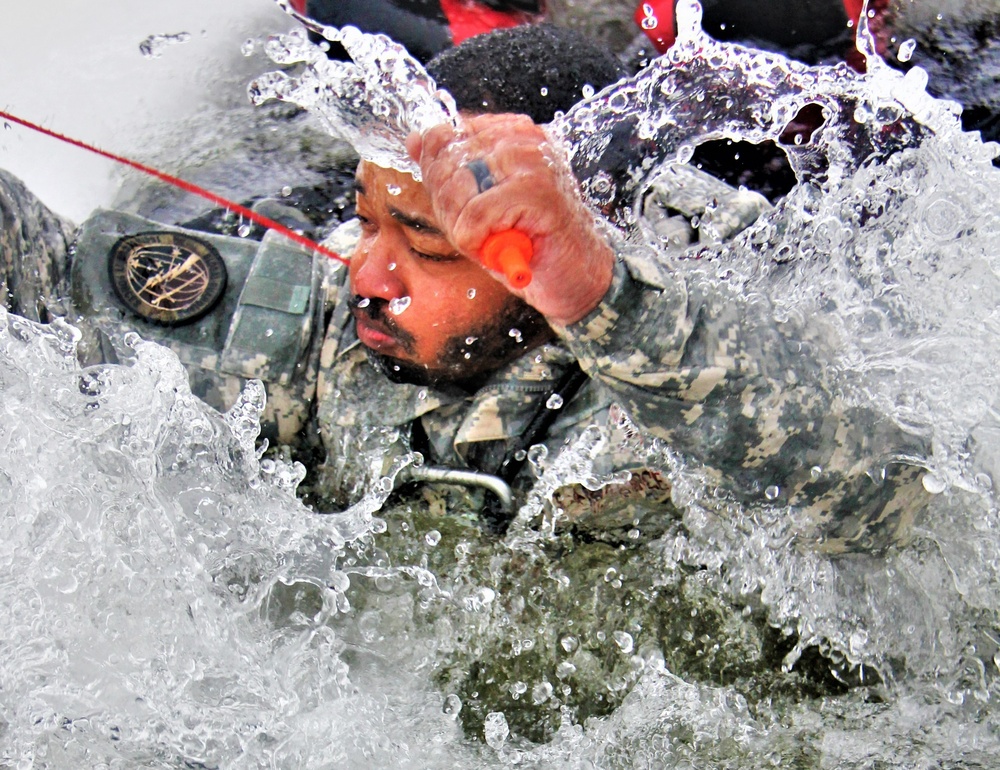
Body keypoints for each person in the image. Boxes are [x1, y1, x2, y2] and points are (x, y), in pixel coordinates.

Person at [1, 24, 925, 552]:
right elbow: (57, 293)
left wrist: (596, 294)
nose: (367, 272)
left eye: (431, 249)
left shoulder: (712, 357)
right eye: (369, 222)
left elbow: (886, 509)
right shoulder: (336, 310)